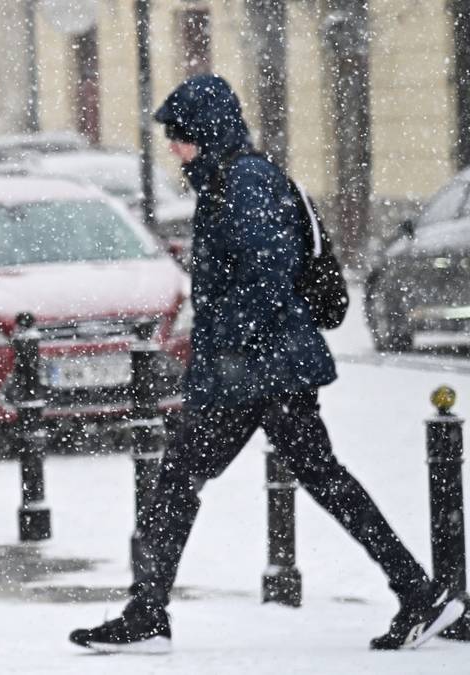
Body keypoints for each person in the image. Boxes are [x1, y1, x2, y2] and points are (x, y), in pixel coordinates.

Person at [68, 74, 464, 653]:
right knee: (318, 478)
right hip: (262, 367)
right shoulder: (230, 179)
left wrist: (227, 353)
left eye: (179, 136)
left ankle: (147, 614)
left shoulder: (244, 182)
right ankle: (418, 592)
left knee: (182, 479)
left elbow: (267, 276)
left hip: (257, 370)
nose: (174, 148)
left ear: (205, 131)